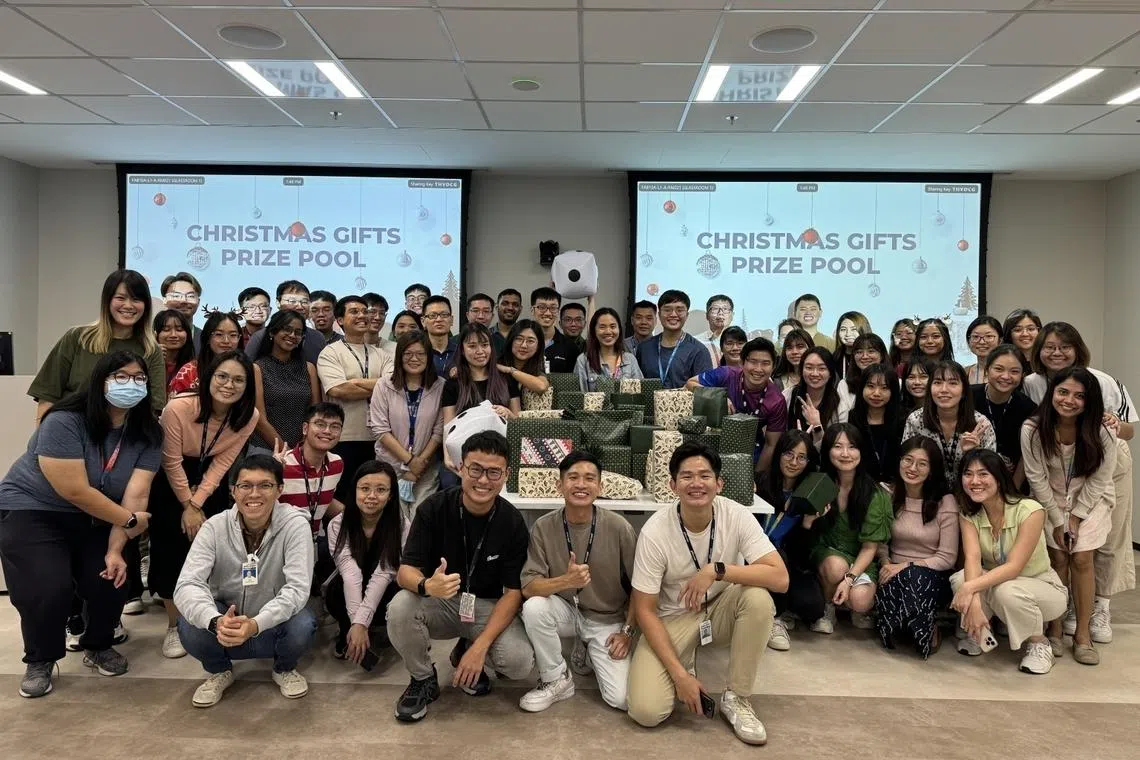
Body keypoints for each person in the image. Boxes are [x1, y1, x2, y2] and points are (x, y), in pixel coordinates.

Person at [0, 352, 160, 698]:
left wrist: (117, 548)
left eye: (139, 379)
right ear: (99, 381)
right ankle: (41, 658)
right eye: (120, 376)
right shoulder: (64, 420)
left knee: (111, 577)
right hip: (35, 510)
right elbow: (72, 489)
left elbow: (137, 494)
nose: (130, 384)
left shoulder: (147, 432)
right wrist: (130, 521)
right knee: (47, 586)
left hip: (99, 516)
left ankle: (98, 643)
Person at [627, 443, 787, 745]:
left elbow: (780, 577)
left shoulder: (737, 515)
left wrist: (718, 570)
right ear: (673, 485)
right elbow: (645, 609)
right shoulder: (655, 531)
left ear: (719, 483)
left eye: (705, 475)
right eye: (686, 476)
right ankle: (683, 661)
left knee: (758, 599)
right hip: (672, 618)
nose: (697, 483)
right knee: (645, 712)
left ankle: (737, 697)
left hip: (719, 608)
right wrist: (680, 677)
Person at [388, 431, 535, 722]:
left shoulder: (512, 521)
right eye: (476, 469)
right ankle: (422, 679)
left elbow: (513, 593)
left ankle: (467, 648)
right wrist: (426, 585)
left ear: (506, 474)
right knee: (400, 606)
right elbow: (404, 572)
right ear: (460, 467)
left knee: (519, 664)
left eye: (494, 472)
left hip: (485, 607)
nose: (483, 480)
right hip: (440, 601)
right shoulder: (433, 508)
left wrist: (480, 648)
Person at [1020, 322, 1136, 634]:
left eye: (1064, 346)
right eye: (1049, 347)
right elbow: (1036, 466)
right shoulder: (1032, 384)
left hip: (1103, 466)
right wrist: (1060, 518)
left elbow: (1130, 429)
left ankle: (1100, 608)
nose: (1056, 353)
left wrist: (1110, 423)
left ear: (1077, 348)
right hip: (1055, 475)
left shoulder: (1102, 381)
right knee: (1059, 554)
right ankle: (1062, 613)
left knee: (1101, 546)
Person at [173, 454, 316, 707]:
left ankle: (283, 668)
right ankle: (220, 670)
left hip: (270, 625)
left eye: (265, 485)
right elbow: (188, 584)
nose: (254, 494)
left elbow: (297, 589)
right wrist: (215, 621)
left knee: (303, 623)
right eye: (245, 486)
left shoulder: (295, 526)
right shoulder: (214, 527)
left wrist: (255, 624)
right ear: (233, 491)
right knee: (188, 623)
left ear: (279, 489)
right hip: (225, 625)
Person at [149, 350, 259, 659]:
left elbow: (223, 462)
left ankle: (204, 615)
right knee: (170, 551)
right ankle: (174, 625)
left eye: (238, 380)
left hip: (209, 483)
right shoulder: (178, 408)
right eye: (223, 376)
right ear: (208, 377)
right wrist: (187, 504)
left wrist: (197, 503)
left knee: (207, 552)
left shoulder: (248, 416)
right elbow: (170, 461)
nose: (229, 384)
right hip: (170, 481)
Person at [518, 451, 637, 712]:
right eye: (572, 477)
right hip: (567, 612)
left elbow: (641, 588)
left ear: (600, 486)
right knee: (535, 608)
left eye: (589, 478)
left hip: (607, 617)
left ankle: (588, 650)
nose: (581, 485)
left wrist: (627, 632)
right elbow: (529, 587)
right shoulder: (543, 526)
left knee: (620, 699)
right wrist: (566, 580)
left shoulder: (619, 528)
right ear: (559, 485)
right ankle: (557, 678)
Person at [1021, 368, 1115, 666]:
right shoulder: (1033, 429)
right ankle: (1056, 628)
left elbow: (1100, 480)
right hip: (1049, 499)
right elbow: (1036, 478)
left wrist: (1075, 517)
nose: (1069, 400)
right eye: (1063, 392)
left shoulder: (1103, 430)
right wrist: (1058, 519)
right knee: (1058, 558)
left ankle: (1083, 635)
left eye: (1079, 396)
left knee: (1082, 558)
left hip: (1090, 498)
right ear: (1052, 394)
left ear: (1090, 401)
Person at [951, 449, 1067, 675]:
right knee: (960, 578)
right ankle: (980, 632)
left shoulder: (1030, 510)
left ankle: (1039, 644)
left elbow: (1014, 567)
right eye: (968, 474)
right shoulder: (969, 514)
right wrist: (973, 603)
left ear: (999, 477)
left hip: (1042, 587)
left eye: (983, 474)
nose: (975, 481)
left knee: (1003, 590)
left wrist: (970, 588)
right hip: (999, 584)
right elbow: (972, 559)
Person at [30, 269, 166, 418]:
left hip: (125, 437)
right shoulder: (78, 338)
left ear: (146, 305)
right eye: (121, 298)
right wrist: (43, 434)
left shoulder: (151, 350)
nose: (128, 305)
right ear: (107, 300)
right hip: (72, 431)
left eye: (136, 299)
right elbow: (48, 394)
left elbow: (154, 408)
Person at [874, 437, 958, 658]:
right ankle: (909, 624)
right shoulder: (886, 494)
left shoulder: (945, 502)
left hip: (932, 576)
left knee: (914, 578)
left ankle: (921, 629)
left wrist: (905, 566)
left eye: (922, 463)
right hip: (890, 569)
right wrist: (886, 563)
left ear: (932, 470)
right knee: (899, 581)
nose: (912, 468)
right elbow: (880, 542)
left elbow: (947, 558)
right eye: (908, 460)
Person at [810, 424, 893, 633]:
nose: (845, 454)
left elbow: (869, 548)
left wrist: (849, 580)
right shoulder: (819, 484)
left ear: (861, 452)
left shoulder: (875, 493)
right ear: (828, 450)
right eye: (838, 446)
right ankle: (827, 608)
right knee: (835, 567)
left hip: (860, 557)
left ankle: (851, 603)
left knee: (861, 600)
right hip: (828, 552)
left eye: (852, 447)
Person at [326, 460, 406, 663]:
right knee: (335, 589)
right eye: (364, 489)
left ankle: (379, 631)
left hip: (385, 587)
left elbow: (384, 573)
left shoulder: (402, 525)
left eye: (381, 490)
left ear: (390, 496)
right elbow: (350, 573)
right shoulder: (337, 525)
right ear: (354, 491)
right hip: (351, 587)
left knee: (401, 594)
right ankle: (349, 631)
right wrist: (357, 623)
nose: (371, 496)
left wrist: (361, 623)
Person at [317, 296, 394, 504]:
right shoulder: (330, 352)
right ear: (340, 320)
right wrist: (378, 385)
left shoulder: (383, 355)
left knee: (374, 498)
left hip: (380, 438)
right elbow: (339, 389)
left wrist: (356, 382)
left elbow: (393, 387)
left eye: (364, 311)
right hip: (344, 438)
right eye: (354, 312)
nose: (362, 316)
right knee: (344, 496)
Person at [756, 430, 827, 651]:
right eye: (788, 454)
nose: (794, 462)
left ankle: (783, 606)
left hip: (789, 563)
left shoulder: (809, 495)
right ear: (778, 453)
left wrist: (807, 524)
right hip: (755, 557)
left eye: (802, 457)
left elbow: (804, 554)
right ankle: (774, 619)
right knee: (778, 558)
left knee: (813, 606)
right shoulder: (759, 482)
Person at [370, 331, 445, 521]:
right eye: (408, 354)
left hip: (425, 469)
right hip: (390, 466)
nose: (414, 359)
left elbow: (438, 431)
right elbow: (380, 429)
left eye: (420, 354)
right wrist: (410, 461)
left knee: (421, 519)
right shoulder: (384, 385)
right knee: (396, 522)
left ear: (429, 357)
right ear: (399, 356)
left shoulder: (440, 386)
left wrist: (418, 465)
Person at [440, 324, 521, 489]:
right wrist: (447, 456)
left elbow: (519, 420)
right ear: (462, 349)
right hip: (465, 456)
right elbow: (448, 426)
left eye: (485, 345)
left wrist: (508, 414)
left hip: (501, 454)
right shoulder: (454, 384)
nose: (480, 351)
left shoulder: (506, 380)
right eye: (472, 346)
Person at [686, 337, 785, 472]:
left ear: (773, 367)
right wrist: (717, 397)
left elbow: (771, 445)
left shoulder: (776, 400)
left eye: (766, 363)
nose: (758, 369)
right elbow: (690, 383)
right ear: (742, 362)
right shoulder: (727, 374)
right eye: (753, 362)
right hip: (712, 443)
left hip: (749, 450)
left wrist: (754, 477)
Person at [903, 360, 997, 484]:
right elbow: (906, 463)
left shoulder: (980, 424)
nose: (944, 390)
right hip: (927, 490)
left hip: (969, 492)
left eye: (953, 383)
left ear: (963, 391)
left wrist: (972, 453)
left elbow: (991, 473)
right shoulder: (915, 420)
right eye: (937, 383)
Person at [278, 403, 346, 568]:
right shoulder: (281, 465)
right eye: (320, 424)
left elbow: (324, 500)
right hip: (279, 546)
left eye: (335, 426)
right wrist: (270, 476)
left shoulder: (337, 464)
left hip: (313, 544)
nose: (328, 431)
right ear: (305, 428)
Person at [251, 310, 321, 449]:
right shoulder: (257, 368)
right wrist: (285, 450)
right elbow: (259, 419)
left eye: (298, 332)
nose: (292, 335)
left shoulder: (309, 368)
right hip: (265, 449)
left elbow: (315, 412)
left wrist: (303, 447)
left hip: (303, 449)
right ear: (272, 332)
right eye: (287, 330)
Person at [971, 344, 1036, 486]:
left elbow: (1027, 456)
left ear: (1022, 375)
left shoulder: (1028, 408)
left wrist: (1013, 491)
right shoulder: (968, 397)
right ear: (987, 370)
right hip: (971, 478)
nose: (1006, 376)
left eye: (1014, 371)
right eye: (998, 369)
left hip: (1011, 481)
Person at [635, 290, 712, 389]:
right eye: (667, 310)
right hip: (649, 404)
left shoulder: (698, 350)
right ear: (659, 315)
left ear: (687, 315)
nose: (673, 315)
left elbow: (704, 391)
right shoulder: (644, 348)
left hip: (685, 404)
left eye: (679, 310)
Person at [244, 280, 327, 365]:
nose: (300, 306)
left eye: (305, 302)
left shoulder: (318, 338)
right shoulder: (260, 337)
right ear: (278, 303)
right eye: (292, 301)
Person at [846, 363, 904, 483]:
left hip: (896, 486)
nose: (876, 393)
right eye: (871, 386)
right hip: (862, 484)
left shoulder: (903, 418)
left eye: (884, 388)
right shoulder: (854, 417)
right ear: (862, 388)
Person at [169, 310, 243, 397]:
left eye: (233, 335)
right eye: (219, 334)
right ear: (208, 338)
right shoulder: (189, 371)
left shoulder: (247, 370)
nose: (226, 341)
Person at [784, 347, 846, 447]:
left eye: (822, 368)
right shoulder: (788, 395)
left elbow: (837, 448)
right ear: (801, 370)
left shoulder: (839, 404)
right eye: (809, 367)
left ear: (830, 373)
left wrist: (816, 425)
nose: (815, 373)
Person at [575, 308, 643, 391]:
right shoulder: (583, 360)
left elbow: (640, 393)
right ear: (594, 331)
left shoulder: (630, 359)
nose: (608, 331)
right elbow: (579, 397)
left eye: (613, 326)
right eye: (602, 327)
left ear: (619, 329)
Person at [501, 319, 553, 408]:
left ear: (538, 346)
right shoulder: (498, 366)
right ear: (511, 341)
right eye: (519, 339)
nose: (524, 345)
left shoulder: (536, 369)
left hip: (527, 420)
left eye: (530, 341)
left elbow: (541, 386)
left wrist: (510, 370)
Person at [531, 287, 581, 373]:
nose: (547, 313)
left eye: (553, 308)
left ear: (558, 311)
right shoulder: (521, 343)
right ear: (532, 310)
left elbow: (574, 382)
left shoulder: (570, 348)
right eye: (542, 307)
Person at [837, 333, 890, 411]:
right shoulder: (844, 384)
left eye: (871, 351)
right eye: (859, 352)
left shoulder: (896, 382)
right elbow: (842, 418)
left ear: (882, 355)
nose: (864, 356)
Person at [154, 308, 195, 394]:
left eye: (179, 329)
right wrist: (155, 360)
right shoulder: (145, 361)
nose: (173, 335)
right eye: (166, 329)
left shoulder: (194, 367)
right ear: (155, 333)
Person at [160, 271, 204, 350]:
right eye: (176, 296)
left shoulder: (206, 339)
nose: (183, 301)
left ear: (198, 301)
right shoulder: (150, 339)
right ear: (164, 300)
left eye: (190, 296)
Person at [421, 295, 459, 375]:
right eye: (432, 315)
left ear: (451, 320)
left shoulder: (461, 351)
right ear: (423, 321)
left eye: (444, 315)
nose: (439, 319)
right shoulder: (418, 352)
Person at [830, 311, 872, 380]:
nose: (848, 334)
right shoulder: (835, 357)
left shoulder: (873, 356)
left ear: (863, 330)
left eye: (854, 329)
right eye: (843, 329)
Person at [963, 316, 1002, 384]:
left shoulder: (1008, 372)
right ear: (968, 341)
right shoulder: (964, 372)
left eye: (989, 336)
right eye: (976, 336)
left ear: (1000, 340)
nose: (982, 342)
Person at [1001, 308, 1042, 372]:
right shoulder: (1000, 361)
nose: (1025, 334)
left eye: (1031, 329)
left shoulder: (1047, 361)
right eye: (1018, 330)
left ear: (1039, 331)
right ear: (1009, 334)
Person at [698, 294, 733, 366]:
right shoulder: (696, 342)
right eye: (715, 309)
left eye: (725, 309)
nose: (720, 313)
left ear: (732, 315)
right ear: (707, 315)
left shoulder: (742, 343)